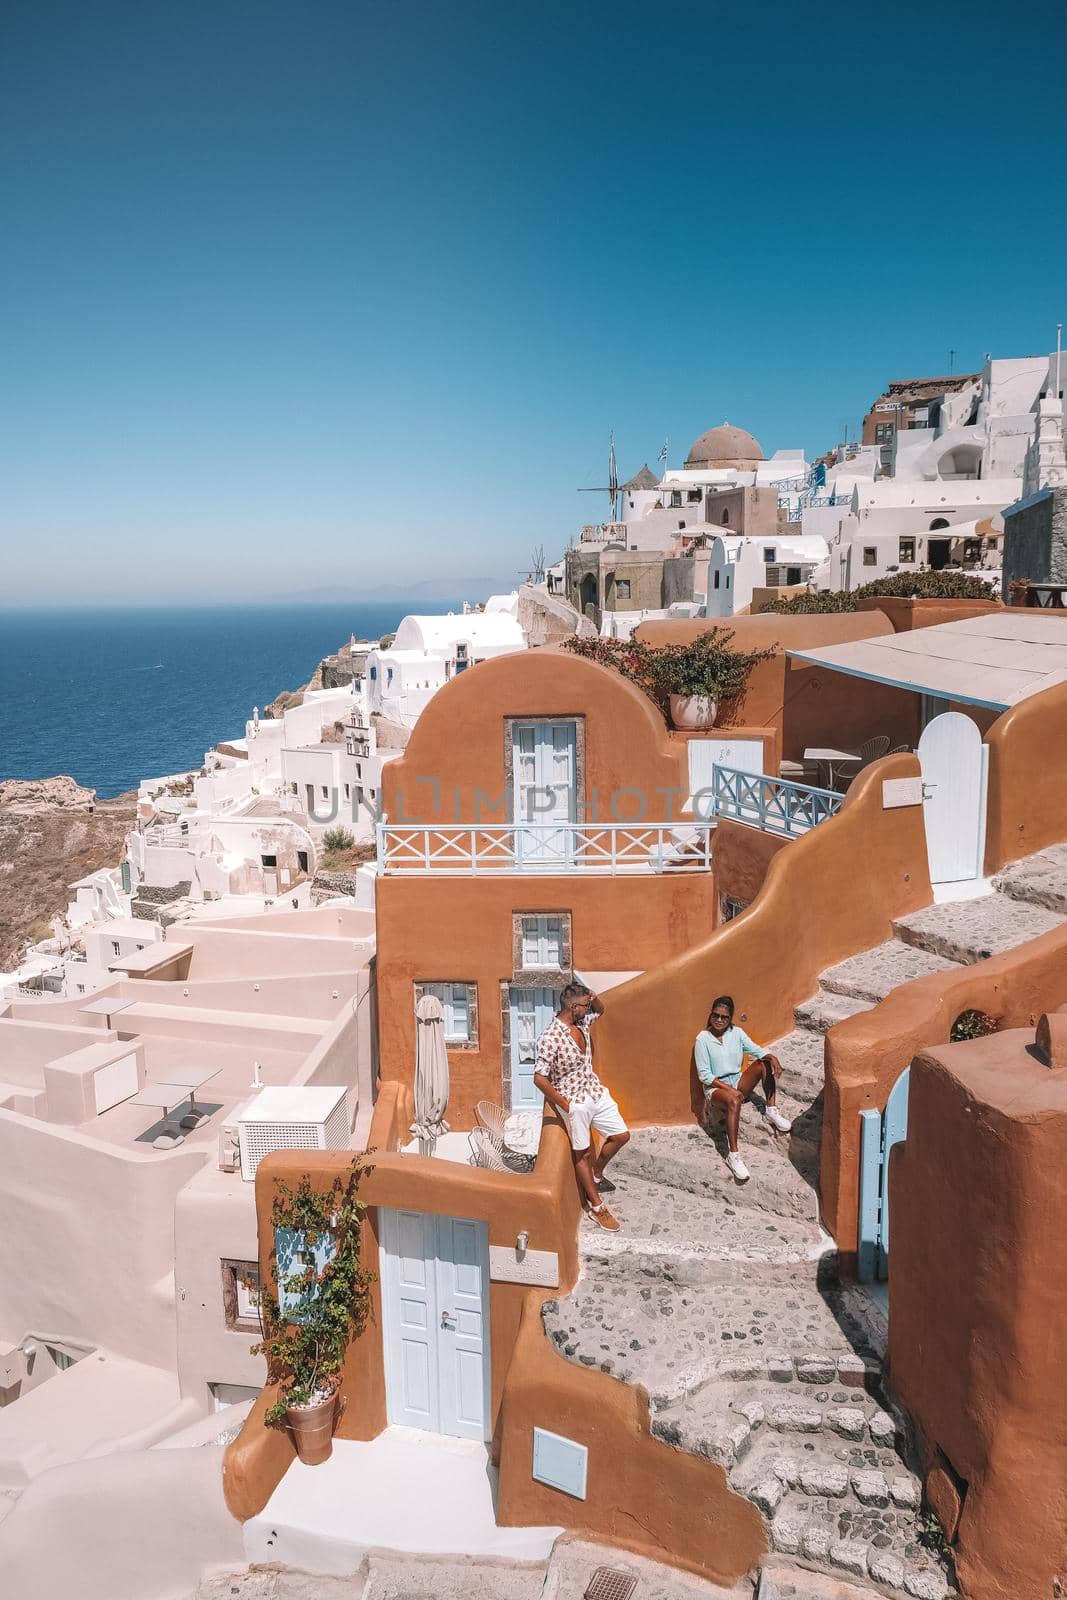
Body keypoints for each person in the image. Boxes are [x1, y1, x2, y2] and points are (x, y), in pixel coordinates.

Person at [534, 981, 630, 1230]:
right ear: (574, 1007)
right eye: (585, 1006)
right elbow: (539, 1078)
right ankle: (597, 1206)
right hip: (574, 1101)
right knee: (582, 1153)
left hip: (595, 1091)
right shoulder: (549, 1037)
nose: (589, 1009)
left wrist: (592, 996)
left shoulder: (583, 1022)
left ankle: (596, 1174)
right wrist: (565, 1104)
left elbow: (602, 1009)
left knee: (621, 1135)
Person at [694, 995, 791, 1184]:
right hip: (715, 1087)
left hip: (737, 1080)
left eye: (724, 1017)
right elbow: (704, 1075)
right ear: (711, 1015)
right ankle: (734, 1155)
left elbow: (756, 1049)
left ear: (730, 1018)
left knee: (764, 1063)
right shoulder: (702, 1039)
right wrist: (729, 1090)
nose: (719, 1020)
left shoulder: (737, 1033)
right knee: (734, 1100)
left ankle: (771, 1111)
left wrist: (772, 1057)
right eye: (716, 1015)